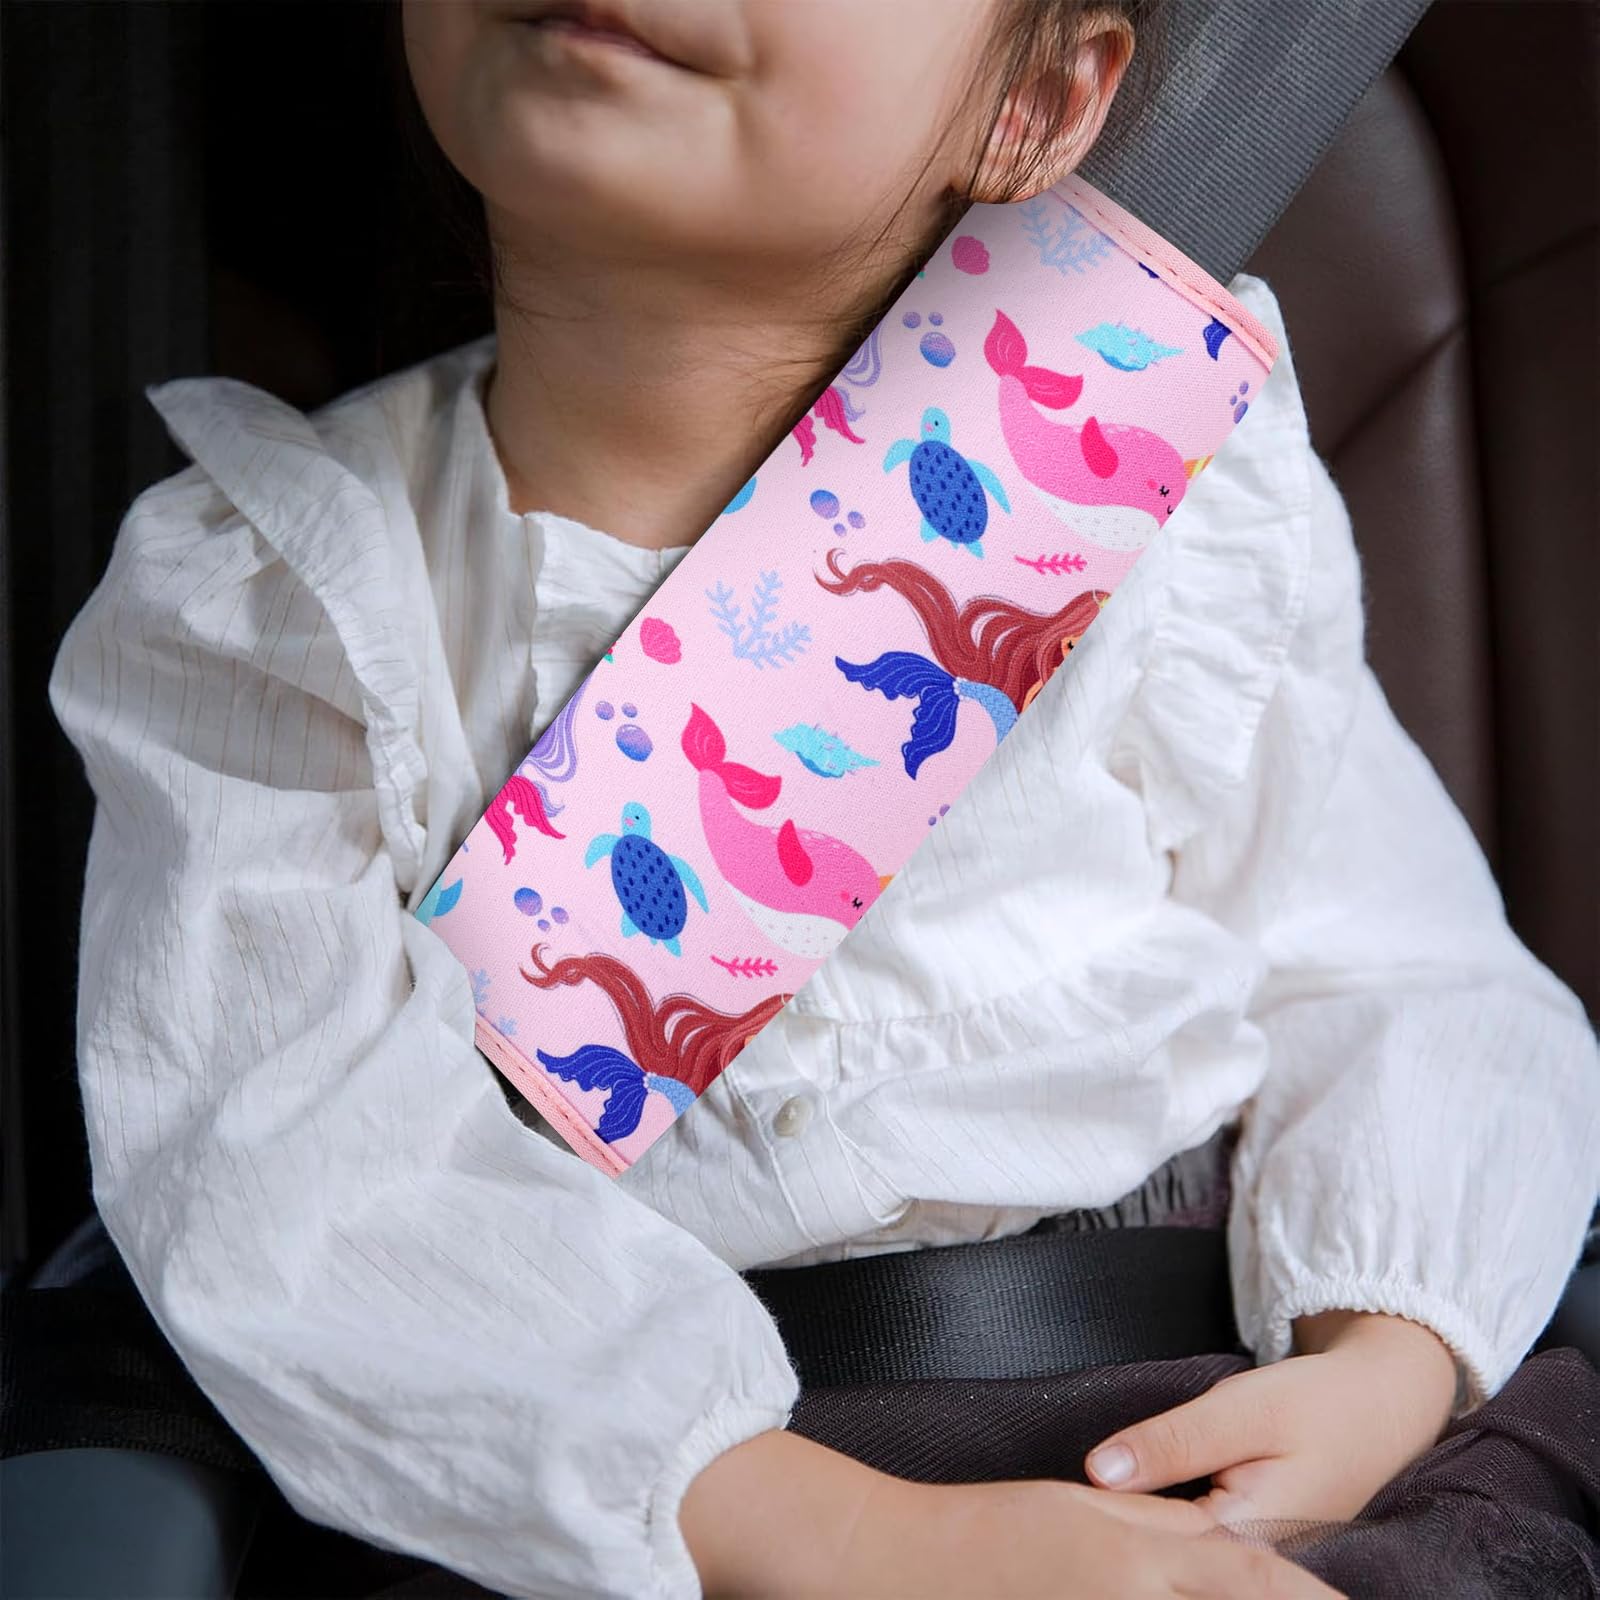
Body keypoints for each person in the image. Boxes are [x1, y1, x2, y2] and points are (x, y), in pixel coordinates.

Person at [45, 1, 1598, 1596]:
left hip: (1190, 1428)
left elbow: (1400, 970)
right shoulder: (278, 599)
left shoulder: (1157, 500)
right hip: (635, 1512)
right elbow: (295, 1178)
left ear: (1039, 99)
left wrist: (1380, 1360)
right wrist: (854, 1542)